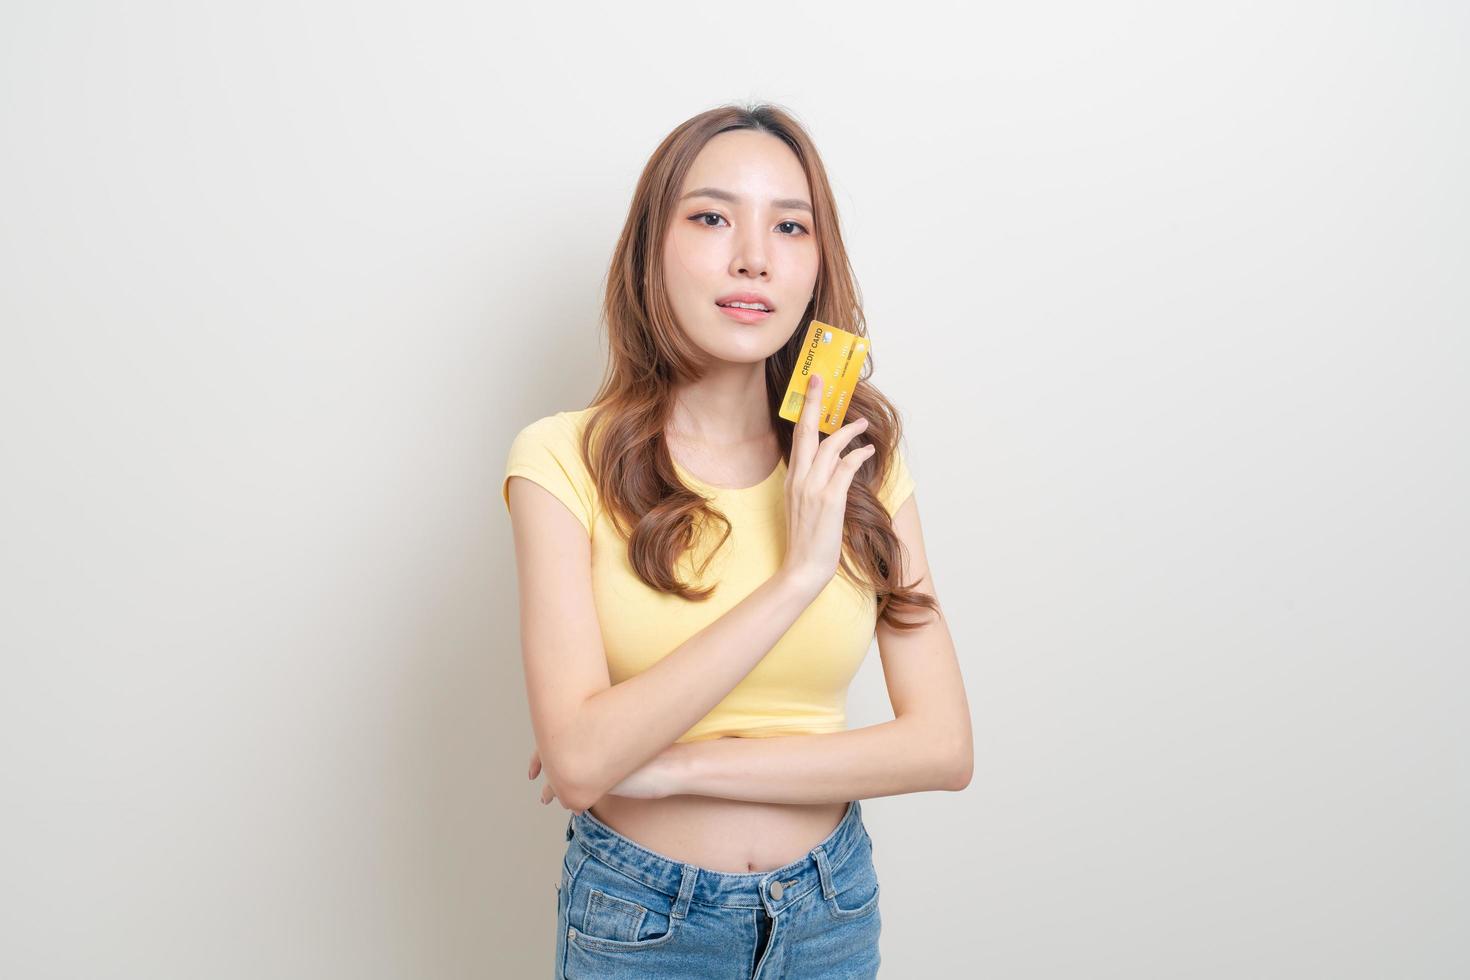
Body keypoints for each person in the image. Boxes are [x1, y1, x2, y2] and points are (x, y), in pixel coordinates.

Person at [503, 102, 972, 979]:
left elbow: (942, 747)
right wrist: (795, 578)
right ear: (653, 248)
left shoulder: (856, 459)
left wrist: (674, 767)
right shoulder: (562, 458)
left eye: (789, 226)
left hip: (830, 911)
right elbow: (578, 763)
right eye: (712, 217)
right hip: (642, 922)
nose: (753, 254)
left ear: (816, 261)